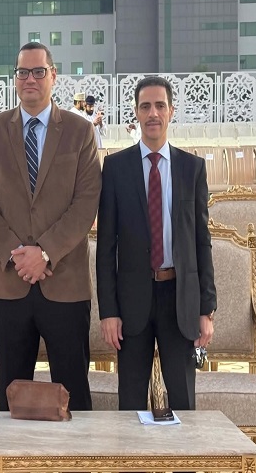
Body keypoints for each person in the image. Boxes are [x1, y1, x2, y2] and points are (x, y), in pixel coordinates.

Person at [0, 42, 101, 411]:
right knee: (12, 395)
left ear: (53, 76)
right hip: (9, 283)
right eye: (23, 72)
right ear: (15, 79)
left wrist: (44, 253)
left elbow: (86, 202)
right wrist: (17, 254)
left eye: (38, 71)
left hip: (64, 283)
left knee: (72, 390)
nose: (30, 79)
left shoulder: (79, 132)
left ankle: (74, 466)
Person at [96, 76, 216, 411]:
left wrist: (206, 308)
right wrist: (109, 312)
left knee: (183, 403)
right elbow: (106, 247)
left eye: (159, 105)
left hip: (179, 301)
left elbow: (201, 242)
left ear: (171, 111)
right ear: (135, 112)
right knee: (131, 404)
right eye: (145, 106)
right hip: (132, 304)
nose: (153, 113)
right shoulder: (116, 168)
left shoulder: (191, 169)